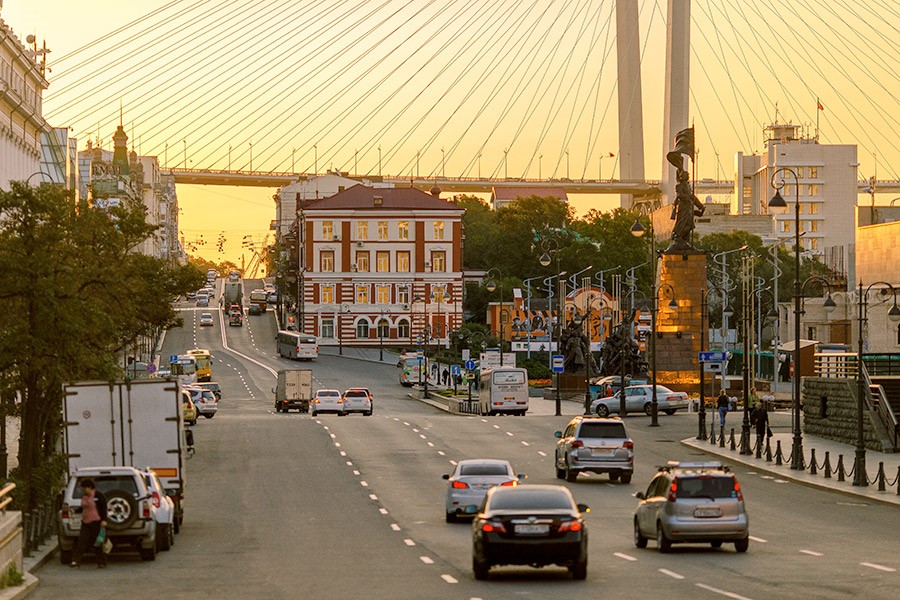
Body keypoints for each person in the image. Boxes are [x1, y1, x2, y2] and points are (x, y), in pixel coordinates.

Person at [71, 478, 108, 568]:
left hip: (96, 522)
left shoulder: (98, 496)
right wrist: (75, 511)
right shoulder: (84, 497)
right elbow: (84, 507)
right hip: (85, 522)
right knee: (81, 540)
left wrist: (104, 520)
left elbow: (103, 508)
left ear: (90, 487)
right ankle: (75, 560)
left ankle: (101, 562)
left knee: (96, 542)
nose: (84, 490)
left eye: (85, 488)